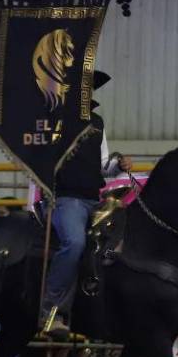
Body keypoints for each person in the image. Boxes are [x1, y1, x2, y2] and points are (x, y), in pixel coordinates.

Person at [41, 71, 131, 337]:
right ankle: (51, 311)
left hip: (94, 198)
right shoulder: (53, 121)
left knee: (123, 239)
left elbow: (103, 165)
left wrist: (118, 165)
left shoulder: (97, 123)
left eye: (88, 88)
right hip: (66, 199)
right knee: (75, 243)